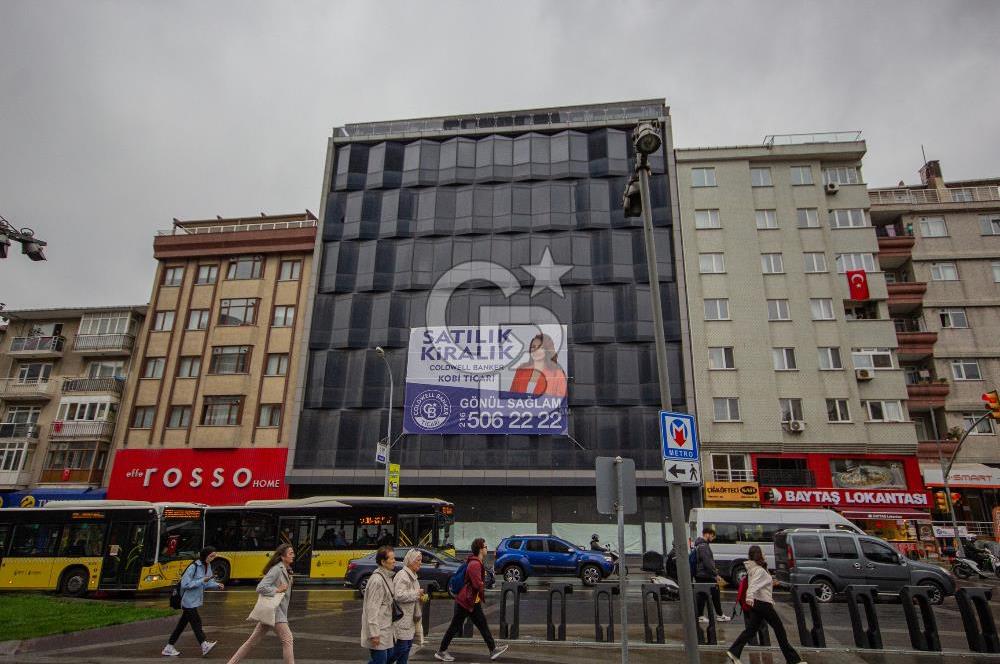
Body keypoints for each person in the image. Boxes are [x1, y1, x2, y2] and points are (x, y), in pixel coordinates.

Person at [726, 546, 806, 664]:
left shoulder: (754, 569)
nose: (764, 554)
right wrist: (749, 597)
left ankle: (734, 651)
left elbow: (759, 583)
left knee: (751, 630)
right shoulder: (759, 570)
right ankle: (793, 660)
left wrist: (770, 581)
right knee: (780, 630)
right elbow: (753, 585)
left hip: (757, 604)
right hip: (763, 604)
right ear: (759, 555)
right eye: (762, 552)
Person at [434, 538, 509, 662]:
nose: (486, 549)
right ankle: (441, 651)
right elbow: (476, 584)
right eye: (485, 547)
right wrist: (483, 583)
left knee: (482, 625)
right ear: (480, 549)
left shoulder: (475, 562)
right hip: (466, 601)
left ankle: (493, 649)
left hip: (472, 601)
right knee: (455, 626)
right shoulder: (475, 564)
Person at [227, 544, 295, 664]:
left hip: (273, 612)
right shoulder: (276, 569)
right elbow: (260, 587)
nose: (293, 555)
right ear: (282, 556)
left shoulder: (286, 569)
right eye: (290, 553)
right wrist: (277, 590)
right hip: (275, 611)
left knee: (252, 641)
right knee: (288, 639)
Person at [162, 546, 224, 657]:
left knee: (181, 625)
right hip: (187, 601)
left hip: (194, 601)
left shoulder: (207, 566)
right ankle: (204, 645)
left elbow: (207, 581)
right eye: (211, 556)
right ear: (205, 555)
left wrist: (216, 585)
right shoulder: (193, 566)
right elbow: (186, 584)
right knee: (196, 622)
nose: (213, 558)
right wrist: (201, 580)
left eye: (214, 556)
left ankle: (169, 647)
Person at [391, 549, 429, 664]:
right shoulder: (403, 575)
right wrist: (417, 594)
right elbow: (398, 595)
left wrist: (420, 597)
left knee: (406, 649)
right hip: (402, 619)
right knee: (401, 649)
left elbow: (412, 595)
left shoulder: (413, 575)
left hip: (410, 620)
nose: (420, 563)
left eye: (421, 560)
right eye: (418, 560)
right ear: (411, 561)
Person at [361, 545, 397, 664]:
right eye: (391, 558)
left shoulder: (387, 577)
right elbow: (372, 609)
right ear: (383, 561)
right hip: (379, 629)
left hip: (387, 628)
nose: (394, 561)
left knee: (390, 657)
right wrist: (374, 634)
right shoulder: (377, 581)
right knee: (381, 660)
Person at [508, 333, 568, 398]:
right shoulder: (521, 370)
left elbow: (562, 401)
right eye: (533, 347)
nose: (535, 350)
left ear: (547, 350)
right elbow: (511, 398)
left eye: (540, 347)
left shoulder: (557, 373)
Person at [693, 527, 731, 623]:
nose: (713, 538)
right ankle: (719, 615)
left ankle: (701, 615)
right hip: (705, 575)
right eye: (712, 536)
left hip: (700, 574)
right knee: (715, 594)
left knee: (703, 595)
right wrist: (715, 574)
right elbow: (707, 562)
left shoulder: (699, 545)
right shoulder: (704, 546)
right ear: (707, 534)